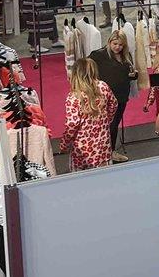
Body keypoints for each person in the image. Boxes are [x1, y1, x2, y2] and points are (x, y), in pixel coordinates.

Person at [58, 58, 118, 171]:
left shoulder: (74, 97)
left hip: (82, 150)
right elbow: (114, 104)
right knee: (105, 177)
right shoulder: (103, 86)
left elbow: (72, 124)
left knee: (81, 180)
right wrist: (106, 121)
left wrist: (64, 144)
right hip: (102, 145)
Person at [87, 30, 138, 162]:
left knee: (114, 124)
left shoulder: (126, 56)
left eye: (121, 45)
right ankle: (107, 151)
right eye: (115, 44)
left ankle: (110, 151)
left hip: (121, 96)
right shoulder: (98, 55)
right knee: (109, 124)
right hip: (105, 97)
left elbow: (128, 74)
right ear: (109, 42)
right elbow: (85, 68)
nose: (117, 47)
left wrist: (133, 75)